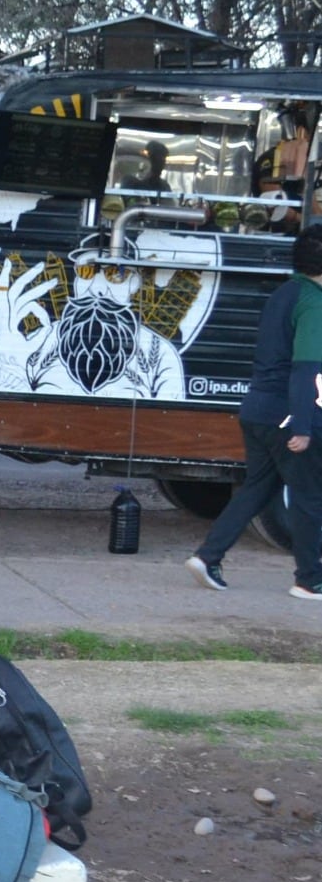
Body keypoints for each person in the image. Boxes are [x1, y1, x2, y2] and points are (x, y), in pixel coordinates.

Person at [187, 224, 322, 601]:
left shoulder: (284, 293)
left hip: (257, 408)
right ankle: (310, 580)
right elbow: (306, 368)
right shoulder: (313, 302)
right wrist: (303, 422)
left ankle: (208, 556)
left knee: (257, 489)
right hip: (286, 414)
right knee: (310, 496)